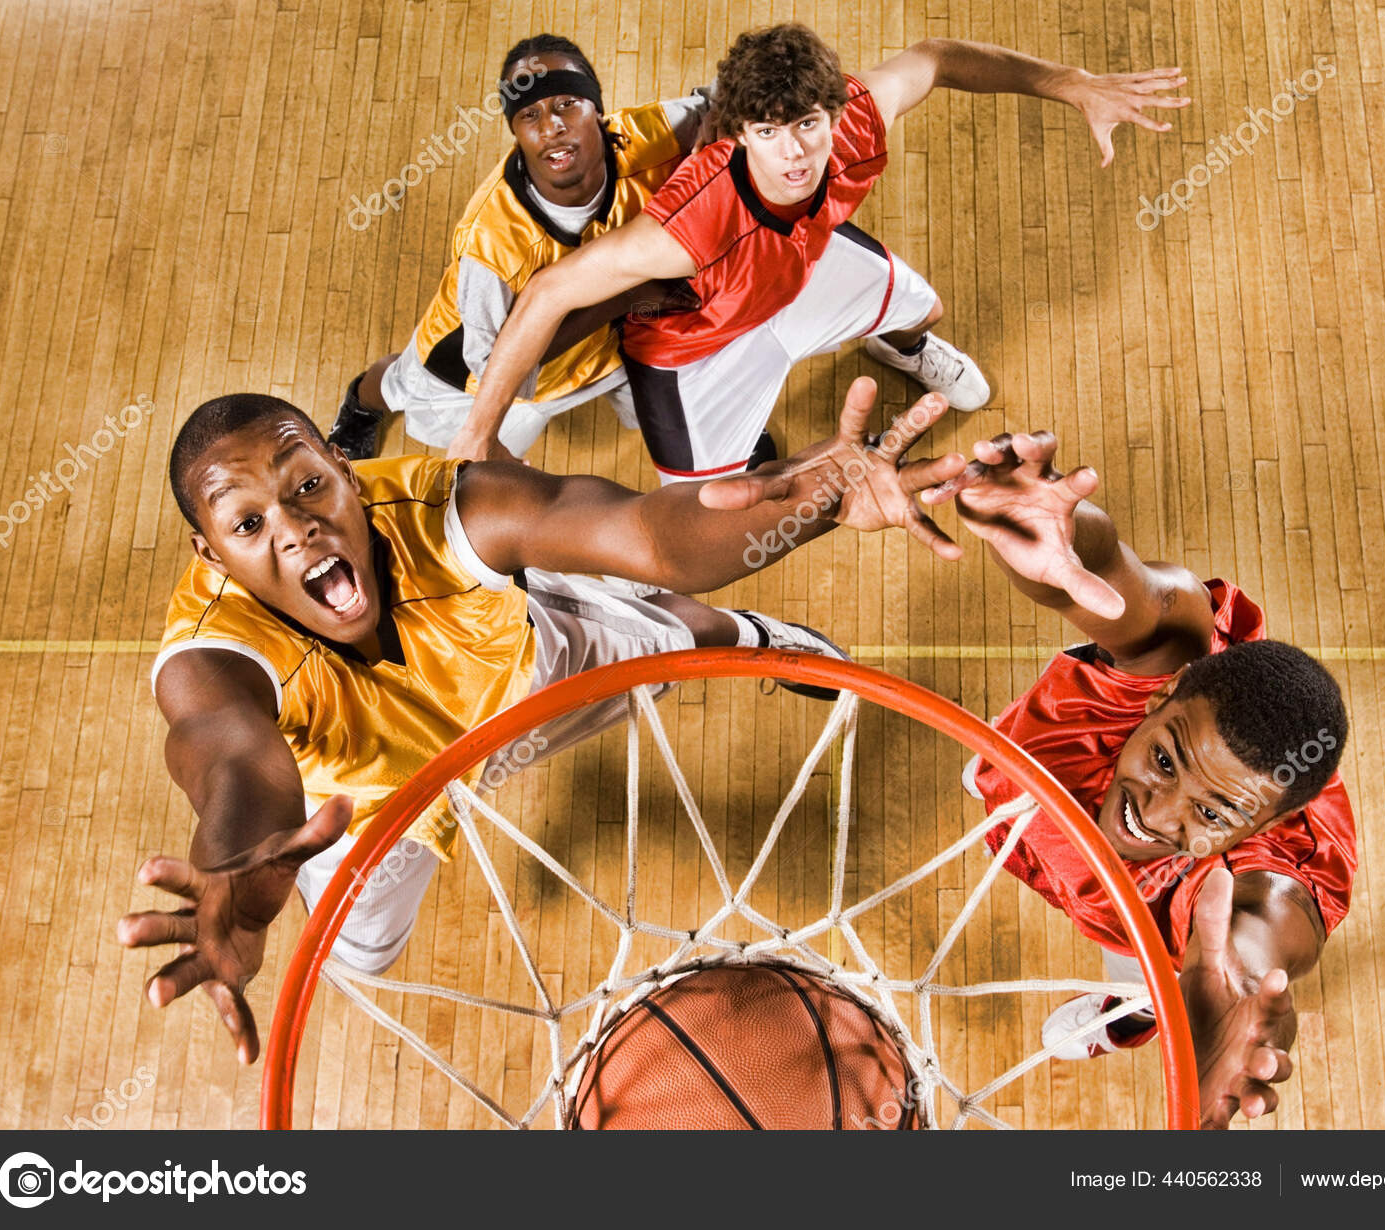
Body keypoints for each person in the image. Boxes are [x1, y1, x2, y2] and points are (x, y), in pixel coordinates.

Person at [119, 378, 966, 1062]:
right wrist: (244, 880)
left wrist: (820, 495)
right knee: (362, 957)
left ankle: (755, 637)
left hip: (521, 686)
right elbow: (236, 767)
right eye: (248, 523)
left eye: (308, 484)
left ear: (345, 470)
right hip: (380, 808)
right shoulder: (208, 658)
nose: (298, 528)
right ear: (209, 551)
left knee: (682, 635)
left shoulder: (456, 508)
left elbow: (655, 535)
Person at [447, 24, 1190, 480]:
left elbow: (934, 59)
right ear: (738, 135)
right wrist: (478, 435)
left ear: (834, 108)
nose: (795, 153)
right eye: (767, 134)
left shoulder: (860, 117)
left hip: (797, 273)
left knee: (924, 308)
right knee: (709, 506)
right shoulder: (690, 222)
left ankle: (900, 351)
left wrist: (1069, 83)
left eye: (806, 124)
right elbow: (548, 293)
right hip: (698, 346)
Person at [916, 430, 1358, 1129]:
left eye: (1212, 814)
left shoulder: (1266, 889)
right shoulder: (1169, 663)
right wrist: (1061, 533)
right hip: (1047, 793)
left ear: (1265, 830)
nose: (1156, 814)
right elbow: (1114, 582)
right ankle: (1019, 799)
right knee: (1008, 784)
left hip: (1142, 926)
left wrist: (1237, 1005)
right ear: (1158, 701)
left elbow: (1255, 943)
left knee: (1156, 974)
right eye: (1164, 760)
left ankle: (1141, 1014)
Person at [327, 34, 714, 461]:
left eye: (566, 103)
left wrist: (722, 118)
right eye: (531, 114)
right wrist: (621, 297)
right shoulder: (491, 242)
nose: (551, 127)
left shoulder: (652, 134)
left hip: (616, 338)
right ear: (515, 132)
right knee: (396, 383)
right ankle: (361, 406)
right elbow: (499, 363)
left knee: (682, 389)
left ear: (597, 109)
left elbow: (734, 93)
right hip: (476, 370)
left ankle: (731, 443)